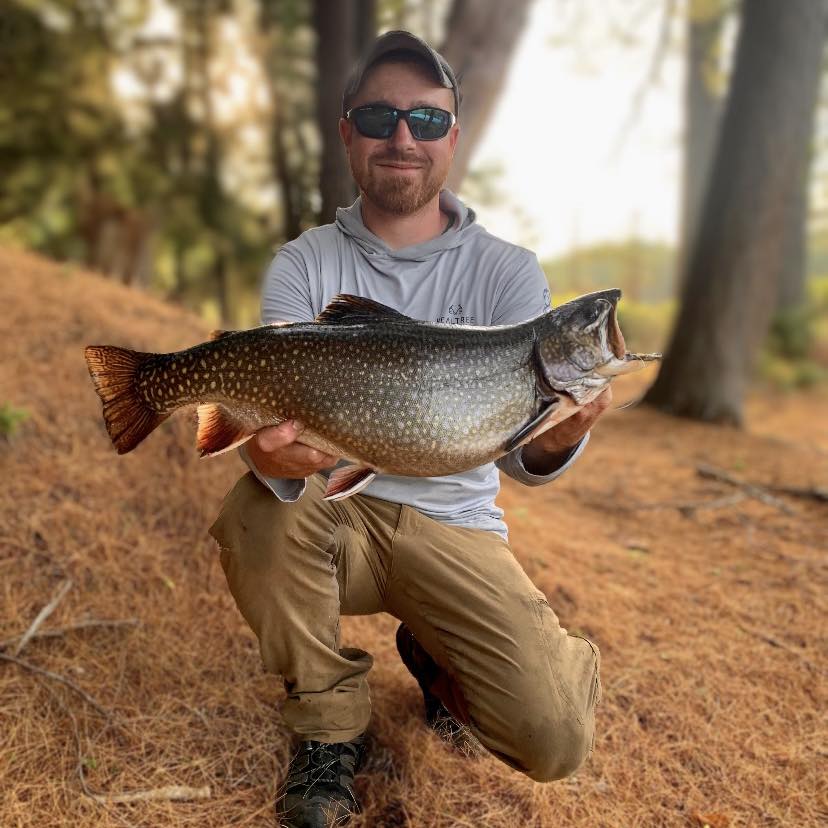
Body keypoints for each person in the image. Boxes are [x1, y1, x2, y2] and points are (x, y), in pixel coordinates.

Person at [209, 30, 609, 828]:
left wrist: (563, 434)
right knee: (255, 508)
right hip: (336, 515)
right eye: (380, 116)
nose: (403, 137)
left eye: (426, 121)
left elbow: (525, 458)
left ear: (452, 141)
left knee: (557, 737)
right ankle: (328, 732)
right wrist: (267, 451)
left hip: (456, 528)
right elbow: (279, 442)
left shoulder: (507, 271)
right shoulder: (305, 263)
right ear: (347, 131)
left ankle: (440, 655)